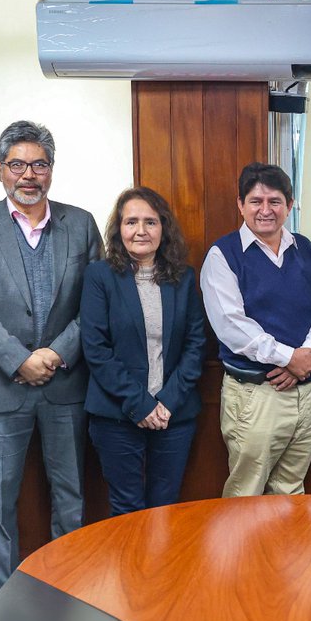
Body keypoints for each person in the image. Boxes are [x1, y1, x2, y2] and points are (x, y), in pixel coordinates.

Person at [0, 120, 102, 594]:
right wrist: (20, 359)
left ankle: (70, 590)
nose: (28, 174)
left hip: (65, 386)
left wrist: (55, 354)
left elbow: (95, 304)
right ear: (0, 170)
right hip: (1, 386)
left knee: (70, 495)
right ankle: (3, 599)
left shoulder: (80, 224)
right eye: (17, 164)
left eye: (39, 164)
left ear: (52, 170)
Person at [200, 162, 311, 497]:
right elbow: (232, 326)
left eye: (275, 201)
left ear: (289, 205)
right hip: (255, 395)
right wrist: (289, 357)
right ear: (240, 204)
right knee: (246, 493)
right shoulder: (223, 255)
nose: (265, 210)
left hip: (306, 391)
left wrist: (305, 355)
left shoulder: (303, 248)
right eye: (256, 201)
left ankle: (284, 554)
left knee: (291, 490)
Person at [80, 187, 205, 514]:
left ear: (163, 229)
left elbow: (195, 345)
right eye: (131, 221)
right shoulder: (99, 276)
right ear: (118, 229)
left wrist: (166, 402)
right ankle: (130, 569)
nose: (140, 230)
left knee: (165, 508)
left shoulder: (183, 278)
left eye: (150, 222)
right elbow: (96, 350)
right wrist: (141, 405)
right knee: (127, 509)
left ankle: (160, 569)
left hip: (173, 414)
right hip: (116, 413)